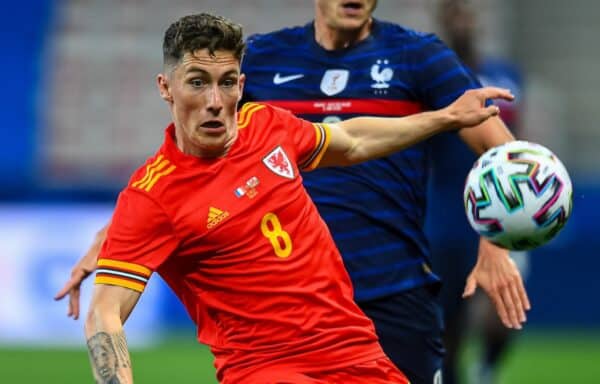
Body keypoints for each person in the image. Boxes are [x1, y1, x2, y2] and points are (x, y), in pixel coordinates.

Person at [56, 2, 530, 384]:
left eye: (226, 84)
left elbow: (354, 139)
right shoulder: (153, 197)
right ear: (167, 88)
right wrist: (110, 240)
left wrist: (448, 118)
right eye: (198, 84)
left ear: (241, 87)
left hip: (366, 331)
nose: (215, 101)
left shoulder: (269, 125)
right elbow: (105, 312)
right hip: (270, 365)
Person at [429, 1, 529, 383]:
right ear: (444, 22)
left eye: (467, 13)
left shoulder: (504, 74)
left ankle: (487, 369)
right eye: (454, 14)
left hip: (503, 213)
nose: (463, 22)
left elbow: (518, 137)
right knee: (448, 323)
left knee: (503, 313)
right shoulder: (432, 81)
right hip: (446, 214)